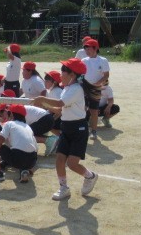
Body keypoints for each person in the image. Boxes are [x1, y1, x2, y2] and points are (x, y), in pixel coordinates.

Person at [33, 58, 98, 201]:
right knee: (59, 159)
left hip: (78, 129)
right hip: (66, 127)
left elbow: (60, 102)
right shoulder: (68, 88)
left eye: (63, 71)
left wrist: (42, 99)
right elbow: (61, 108)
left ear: (72, 74)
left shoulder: (76, 89)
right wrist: (45, 106)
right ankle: (63, 188)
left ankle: (90, 176)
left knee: (72, 164)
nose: (60, 74)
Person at [0, 104, 38, 184]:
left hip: (17, 158)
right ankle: (24, 170)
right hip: (32, 160)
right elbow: (35, 148)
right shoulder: (28, 127)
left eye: (8, 113)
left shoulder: (9, 124)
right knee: (17, 149)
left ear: (11, 114)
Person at [81, 38, 110, 139]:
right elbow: (80, 75)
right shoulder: (83, 61)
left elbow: (106, 75)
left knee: (94, 110)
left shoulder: (103, 60)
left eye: (89, 49)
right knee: (82, 109)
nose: (87, 51)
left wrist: (97, 84)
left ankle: (93, 131)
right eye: (86, 49)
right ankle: (82, 129)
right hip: (84, 88)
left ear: (95, 48)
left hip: (96, 89)